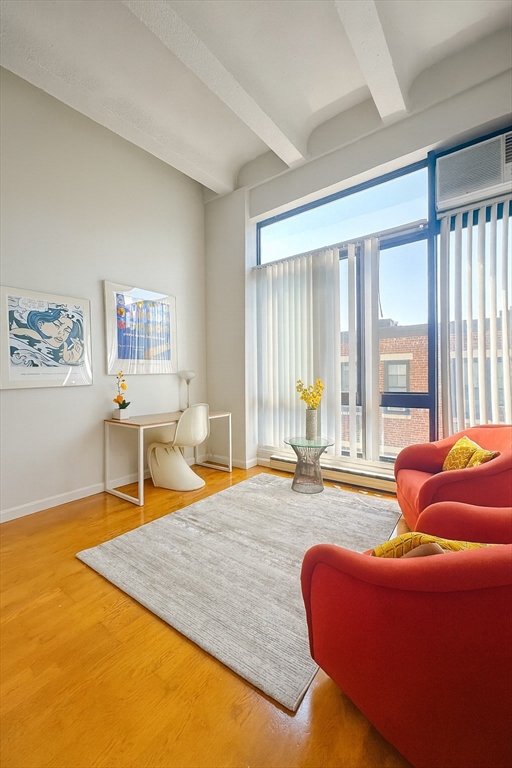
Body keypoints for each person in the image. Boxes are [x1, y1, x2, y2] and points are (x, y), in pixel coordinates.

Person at [10, 308, 84, 365]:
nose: (61, 333)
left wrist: (71, 361)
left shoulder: (61, 354)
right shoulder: (18, 343)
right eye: (57, 325)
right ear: (40, 324)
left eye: (67, 330)